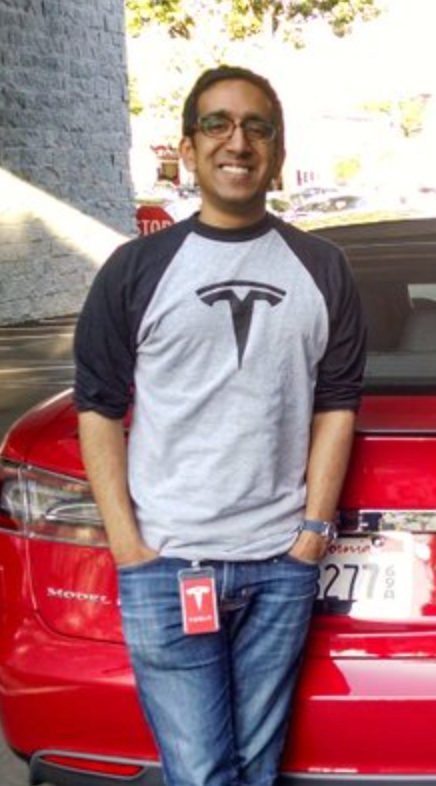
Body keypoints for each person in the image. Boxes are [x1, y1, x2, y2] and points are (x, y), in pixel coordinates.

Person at [73, 65, 366, 786]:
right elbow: (98, 407)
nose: (238, 142)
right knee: (203, 774)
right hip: (168, 561)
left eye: (257, 127)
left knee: (256, 770)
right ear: (189, 146)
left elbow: (337, 404)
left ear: (279, 152)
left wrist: (311, 537)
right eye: (218, 124)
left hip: (280, 564)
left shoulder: (322, 268)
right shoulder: (136, 268)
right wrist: (129, 547)